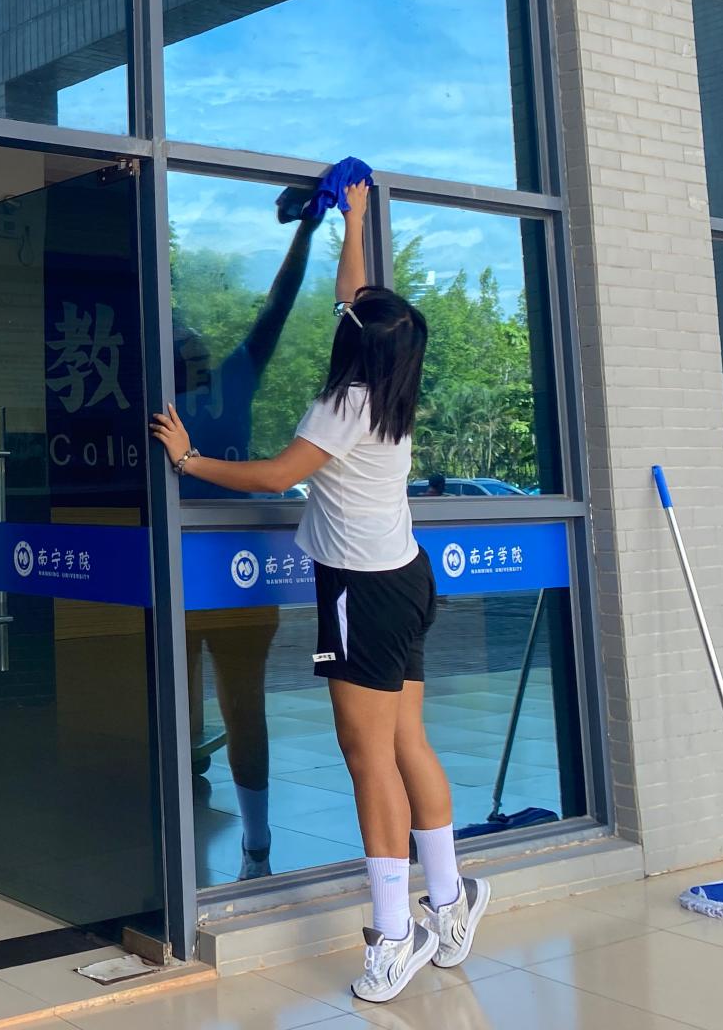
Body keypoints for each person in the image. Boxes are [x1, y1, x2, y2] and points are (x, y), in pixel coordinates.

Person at [149, 182, 489, 1005]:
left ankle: (394, 935)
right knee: (407, 743)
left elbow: (276, 475)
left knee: (368, 757)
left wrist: (188, 461)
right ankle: (449, 900)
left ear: (353, 343)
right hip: (405, 577)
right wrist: (354, 218)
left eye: (350, 317)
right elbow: (356, 297)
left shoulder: (344, 405)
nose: (344, 311)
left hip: (362, 592)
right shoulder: (393, 387)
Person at [173, 187, 326, 880]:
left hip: (235, 582)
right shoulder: (163, 403)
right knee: (194, 709)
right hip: (188, 578)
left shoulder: (228, 381)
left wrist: (306, 233)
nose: (195, 344)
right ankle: (195, 842)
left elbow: (277, 306)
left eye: (192, 338)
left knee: (242, 709)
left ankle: (256, 845)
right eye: (184, 341)